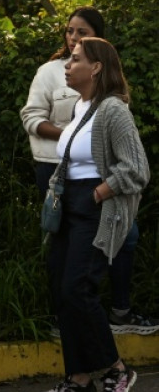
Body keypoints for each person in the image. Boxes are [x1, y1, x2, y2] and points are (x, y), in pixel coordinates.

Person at [20, 6, 157, 335]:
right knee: (62, 246)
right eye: (70, 31)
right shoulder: (51, 72)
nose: (73, 38)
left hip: (99, 178)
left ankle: (116, 313)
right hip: (57, 171)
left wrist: (102, 187)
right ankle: (65, 318)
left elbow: (131, 159)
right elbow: (31, 118)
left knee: (124, 236)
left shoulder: (106, 83)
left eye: (81, 32)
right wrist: (71, 132)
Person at [43, 37, 148, 392]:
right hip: (69, 208)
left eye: (74, 60)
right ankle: (79, 376)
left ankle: (116, 369)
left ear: (97, 67)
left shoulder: (113, 110)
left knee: (77, 289)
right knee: (62, 290)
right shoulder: (80, 108)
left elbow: (137, 168)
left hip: (94, 209)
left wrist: (100, 192)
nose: (67, 66)